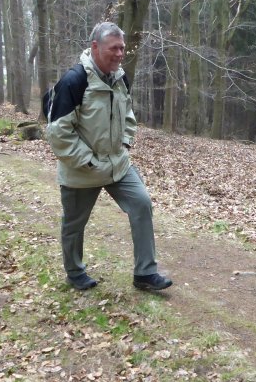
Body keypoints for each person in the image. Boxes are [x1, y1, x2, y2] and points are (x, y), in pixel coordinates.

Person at [45, 21, 172, 292]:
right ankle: (74, 271)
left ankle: (145, 273)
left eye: (122, 48)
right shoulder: (74, 80)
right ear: (95, 47)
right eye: (113, 48)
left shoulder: (119, 77)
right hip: (82, 169)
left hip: (117, 163)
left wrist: (125, 142)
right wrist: (89, 161)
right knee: (74, 224)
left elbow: (127, 113)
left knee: (141, 204)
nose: (119, 54)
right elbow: (58, 133)